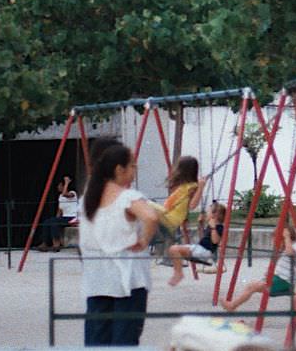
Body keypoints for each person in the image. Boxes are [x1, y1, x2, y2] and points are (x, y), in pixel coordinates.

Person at [79, 139, 159, 347]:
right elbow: (151, 217)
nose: (135, 170)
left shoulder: (87, 199)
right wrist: (143, 241)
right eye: (132, 165)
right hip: (128, 280)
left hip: (97, 279)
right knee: (124, 341)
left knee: (97, 340)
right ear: (118, 169)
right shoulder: (127, 197)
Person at [220, 226, 296, 311]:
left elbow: (290, 253)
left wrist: (287, 237)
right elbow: (280, 265)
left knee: (253, 286)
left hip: (285, 282)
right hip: (278, 280)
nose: (275, 243)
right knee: (250, 286)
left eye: (277, 240)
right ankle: (233, 305)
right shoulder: (283, 250)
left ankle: (232, 306)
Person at [167, 201, 226, 287]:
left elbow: (215, 241)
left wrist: (213, 227)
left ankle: (179, 273)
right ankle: (178, 271)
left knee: (174, 249)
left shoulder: (219, 227)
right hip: (200, 249)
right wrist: (201, 225)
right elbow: (203, 238)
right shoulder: (211, 226)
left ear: (215, 215)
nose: (206, 214)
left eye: (208, 212)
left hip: (204, 252)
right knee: (172, 249)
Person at [153, 156, 206, 235]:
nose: (176, 171)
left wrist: (201, 188)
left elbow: (192, 205)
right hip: (166, 214)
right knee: (143, 203)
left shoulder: (192, 187)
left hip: (170, 219)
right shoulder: (184, 186)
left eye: (178, 168)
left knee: (143, 202)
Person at [36, 174, 78, 252]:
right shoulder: (60, 197)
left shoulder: (73, 193)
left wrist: (66, 182)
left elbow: (65, 194)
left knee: (54, 222)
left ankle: (56, 244)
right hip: (64, 217)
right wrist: (56, 218)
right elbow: (59, 210)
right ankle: (45, 243)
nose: (58, 187)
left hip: (72, 217)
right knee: (47, 222)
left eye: (59, 185)